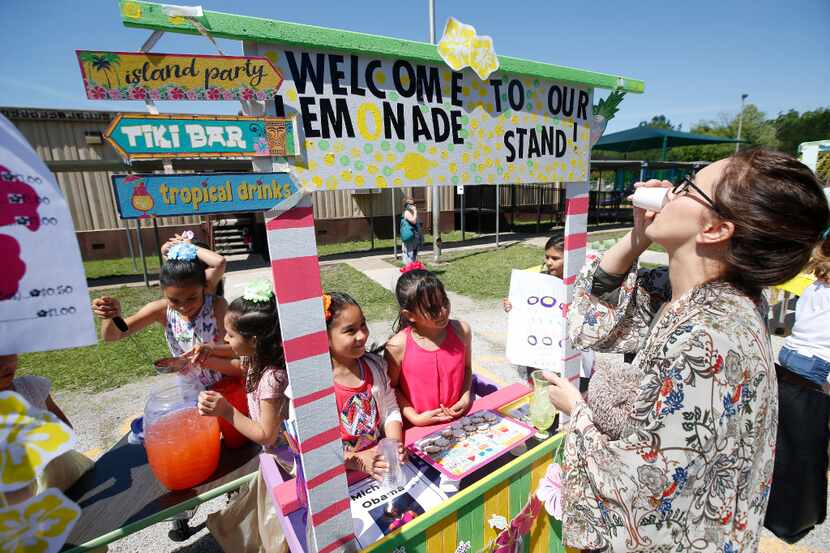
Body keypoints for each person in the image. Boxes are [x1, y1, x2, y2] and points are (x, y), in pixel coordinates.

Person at [542, 149, 829, 551]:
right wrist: (637, 237)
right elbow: (593, 320)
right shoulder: (715, 299)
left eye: (688, 186)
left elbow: (642, 489)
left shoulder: (708, 334)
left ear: (714, 230)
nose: (670, 191)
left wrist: (576, 412)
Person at [197, 280, 288, 553]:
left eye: (230, 335)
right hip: (273, 456)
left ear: (253, 341)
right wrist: (206, 356)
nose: (225, 339)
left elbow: (266, 434)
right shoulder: (257, 358)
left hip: (285, 461)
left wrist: (226, 410)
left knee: (278, 525)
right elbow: (238, 365)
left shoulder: (273, 378)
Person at [92, 242, 238, 393]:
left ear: (204, 287)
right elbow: (113, 335)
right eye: (174, 300)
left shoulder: (216, 305)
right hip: (192, 389)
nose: (183, 306)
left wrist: (210, 350)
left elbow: (234, 349)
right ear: (163, 291)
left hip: (226, 384)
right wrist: (111, 316)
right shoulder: (161, 310)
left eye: (192, 298)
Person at [764, 233, 830, 542]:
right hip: (817, 366)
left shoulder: (816, 286)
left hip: (790, 357)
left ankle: (773, 500)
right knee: (809, 444)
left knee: (786, 438)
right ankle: (796, 508)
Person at [323, 292, 405, 480]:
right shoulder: (315, 388)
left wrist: (393, 445)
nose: (362, 335)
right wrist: (356, 460)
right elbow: (312, 449)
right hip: (339, 475)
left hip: (378, 467)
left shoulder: (375, 366)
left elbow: (390, 409)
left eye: (363, 325)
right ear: (324, 337)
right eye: (350, 331)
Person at [502, 237, 595, 388]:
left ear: (570, 259)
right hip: (542, 355)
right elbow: (527, 312)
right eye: (547, 257)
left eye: (555, 258)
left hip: (571, 354)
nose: (549, 262)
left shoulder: (582, 284)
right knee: (543, 393)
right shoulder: (537, 282)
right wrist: (513, 307)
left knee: (570, 392)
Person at [385, 266, 473, 426]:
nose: (443, 311)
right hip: (418, 430)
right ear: (409, 315)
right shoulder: (397, 347)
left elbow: (467, 369)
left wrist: (465, 396)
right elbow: (390, 390)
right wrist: (415, 418)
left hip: (460, 420)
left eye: (445, 302)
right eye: (432, 309)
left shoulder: (462, 331)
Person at [0, 354, 93, 499]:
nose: (5, 365)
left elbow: (65, 426)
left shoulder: (31, 387)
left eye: (8, 357)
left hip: (63, 470)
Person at [400, 197, 422, 265]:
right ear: (407, 205)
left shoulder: (410, 212)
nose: (414, 205)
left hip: (414, 236)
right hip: (410, 237)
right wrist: (415, 211)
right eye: (412, 204)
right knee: (410, 254)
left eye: (414, 203)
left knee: (413, 254)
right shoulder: (407, 212)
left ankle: (411, 269)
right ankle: (410, 270)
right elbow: (413, 221)